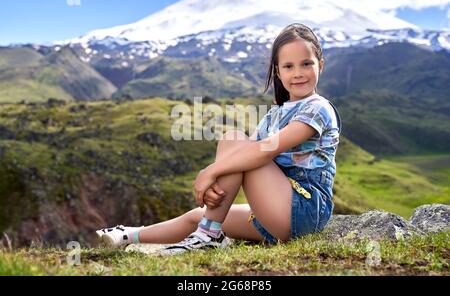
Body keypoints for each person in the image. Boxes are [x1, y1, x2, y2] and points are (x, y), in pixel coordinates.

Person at [96, 23, 342, 255]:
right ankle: (127, 235)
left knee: (235, 141)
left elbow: (267, 149)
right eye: (288, 66)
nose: (298, 73)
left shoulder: (318, 108)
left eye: (306, 64)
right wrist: (218, 180)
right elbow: (246, 152)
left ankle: (209, 237)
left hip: (303, 211)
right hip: (276, 212)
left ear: (320, 64)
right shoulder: (276, 112)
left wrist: (211, 171)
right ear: (278, 71)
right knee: (200, 215)